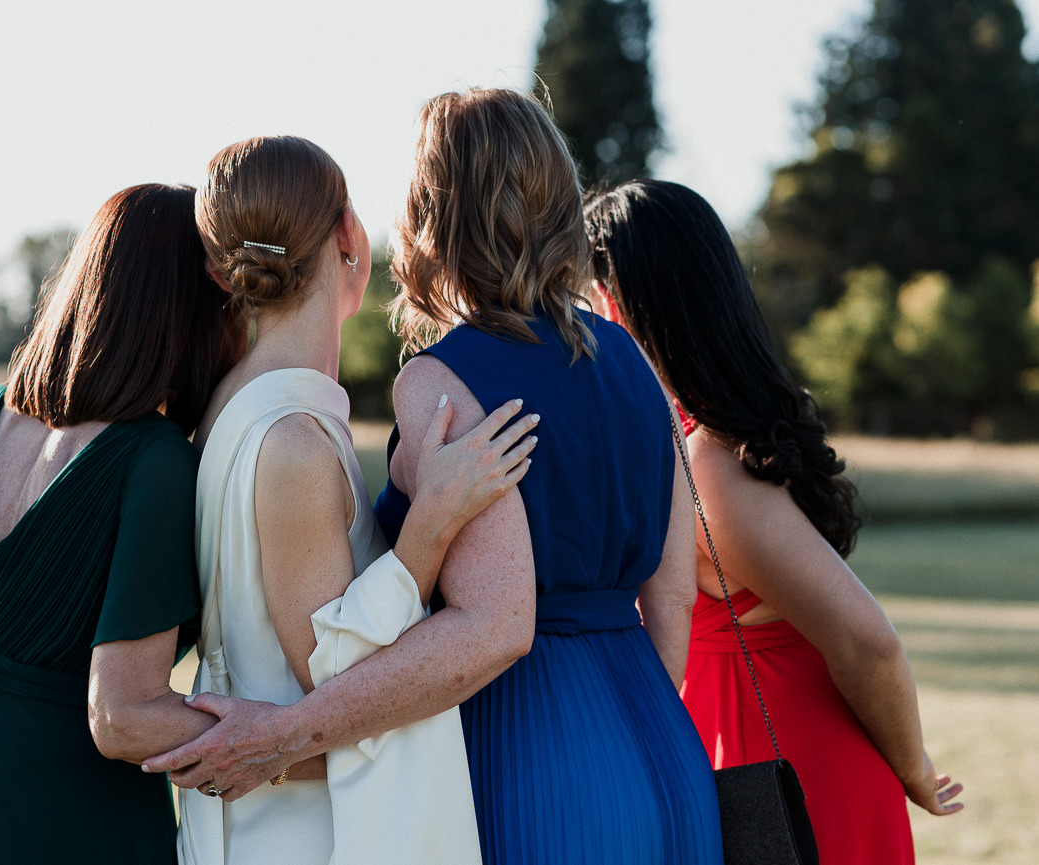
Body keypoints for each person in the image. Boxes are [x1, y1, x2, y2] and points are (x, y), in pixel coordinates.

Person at [149, 91, 723, 864]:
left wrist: (280, 736)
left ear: (431, 215)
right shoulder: (634, 364)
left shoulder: (445, 380)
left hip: (525, 751)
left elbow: (497, 624)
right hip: (664, 744)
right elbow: (675, 593)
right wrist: (630, 719)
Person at [174, 134, 538, 865]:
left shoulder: (240, 406)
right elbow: (337, 681)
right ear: (350, 235)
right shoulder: (292, 440)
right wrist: (429, 525)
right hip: (307, 832)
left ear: (221, 268)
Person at [583, 178, 965, 864]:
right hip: (758, 784)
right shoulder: (701, 442)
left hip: (797, 799)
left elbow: (868, 642)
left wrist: (914, 769)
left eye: (582, 302)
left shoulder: (713, 468)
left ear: (616, 303)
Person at [0, 184, 248, 864]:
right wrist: (295, 732)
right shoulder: (155, 459)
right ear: (193, 308)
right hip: (74, 824)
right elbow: (127, 712)